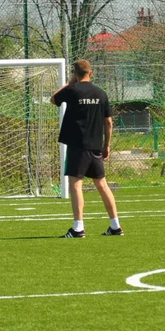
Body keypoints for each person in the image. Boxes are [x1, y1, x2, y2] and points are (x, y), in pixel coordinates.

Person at [50, 59, 122, 238]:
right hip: (96, 145)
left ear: (75, 74)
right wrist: (107, 145)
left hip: (78, 145)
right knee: (102, 184)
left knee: (75, 184)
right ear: (91, 73)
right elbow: (109, 122)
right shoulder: (101, 93)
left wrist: (70, 82)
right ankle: (115, 225)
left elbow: (53, 99)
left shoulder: (72, 90)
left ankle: (78, 227)